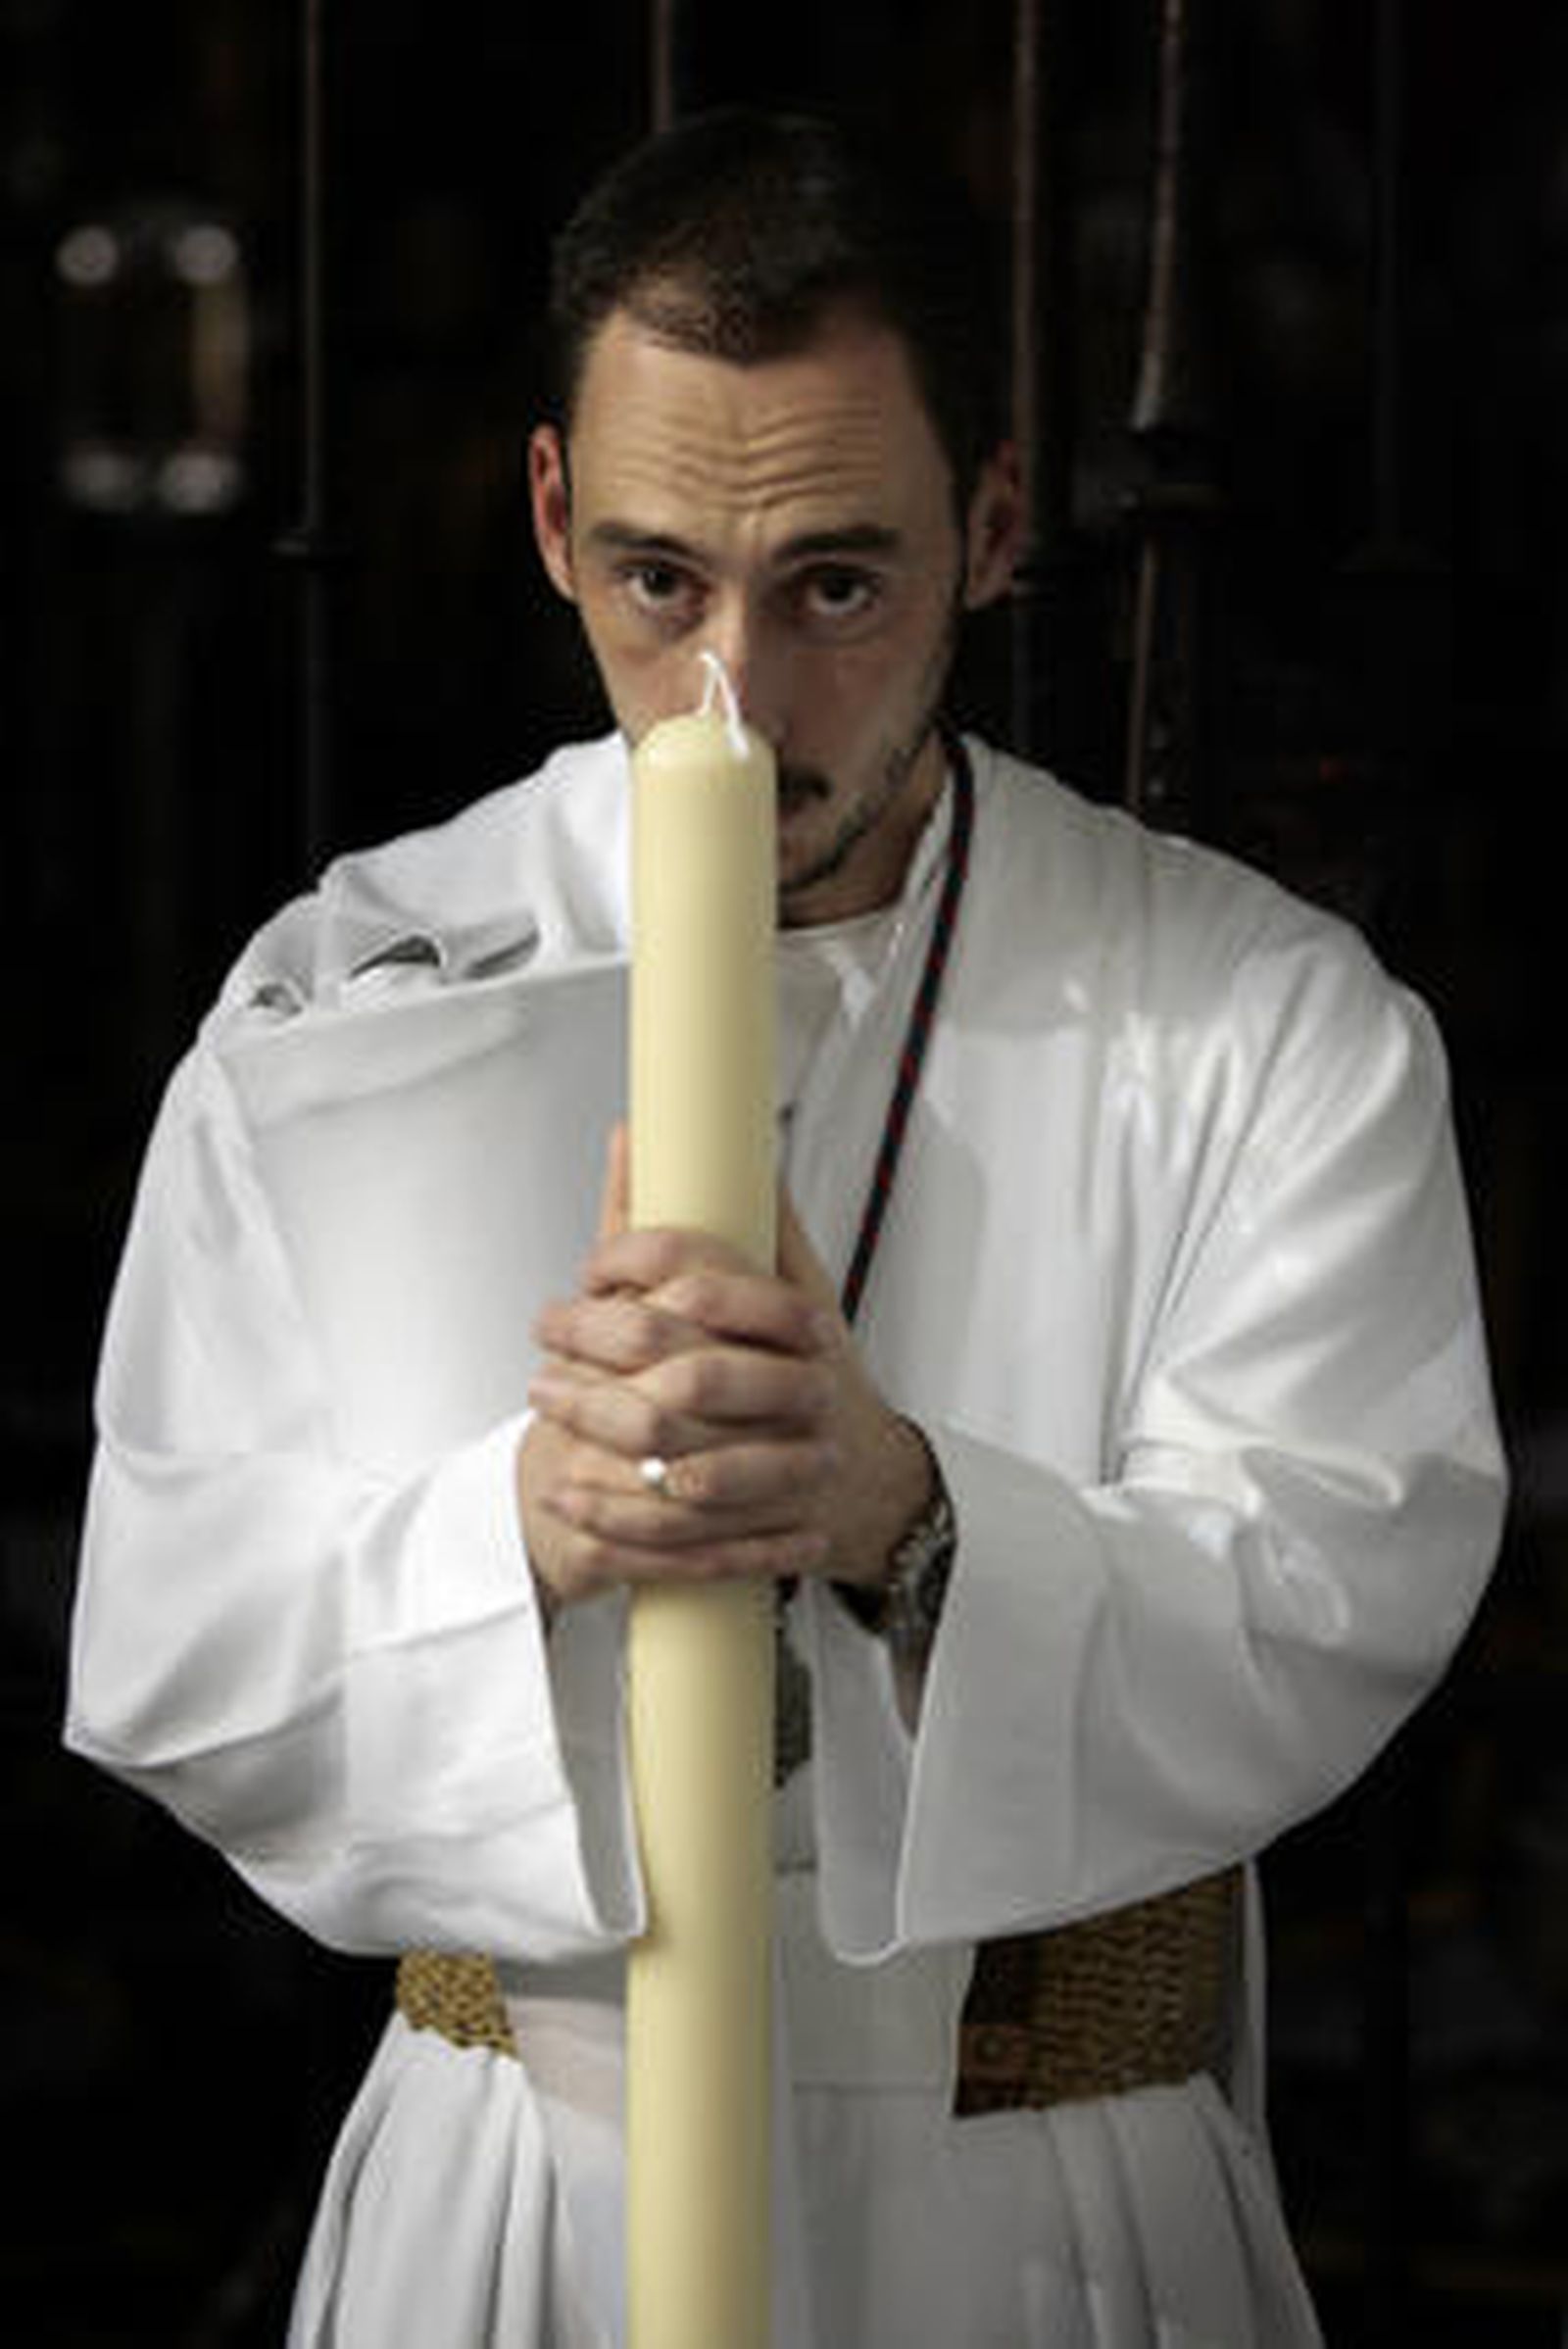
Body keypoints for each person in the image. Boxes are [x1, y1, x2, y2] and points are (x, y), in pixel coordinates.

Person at [66, 107, 1506, 2348]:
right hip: (525, 2200)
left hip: (1045, 2200)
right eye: (659, 578)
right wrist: (519, 1524)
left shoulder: (1257, 1020)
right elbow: (177, 1641)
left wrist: (907, 1515)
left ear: (995, 526)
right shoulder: (342, 999)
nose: (737, 692)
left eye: (836, 581)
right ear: (551, 514)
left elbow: (1346, 1580)